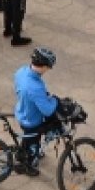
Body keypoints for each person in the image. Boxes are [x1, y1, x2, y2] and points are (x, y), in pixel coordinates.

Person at [13, 46, 62, 174]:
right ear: (44, 66)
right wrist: (55, 100)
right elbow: (47, 111)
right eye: (49, 67)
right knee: (33, 141)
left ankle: (21, 152)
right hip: (32, 119)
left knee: (27, 138)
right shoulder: (35, 87)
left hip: (22, 111)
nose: (49, 70)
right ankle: (28, 166)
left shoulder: (21, 71)